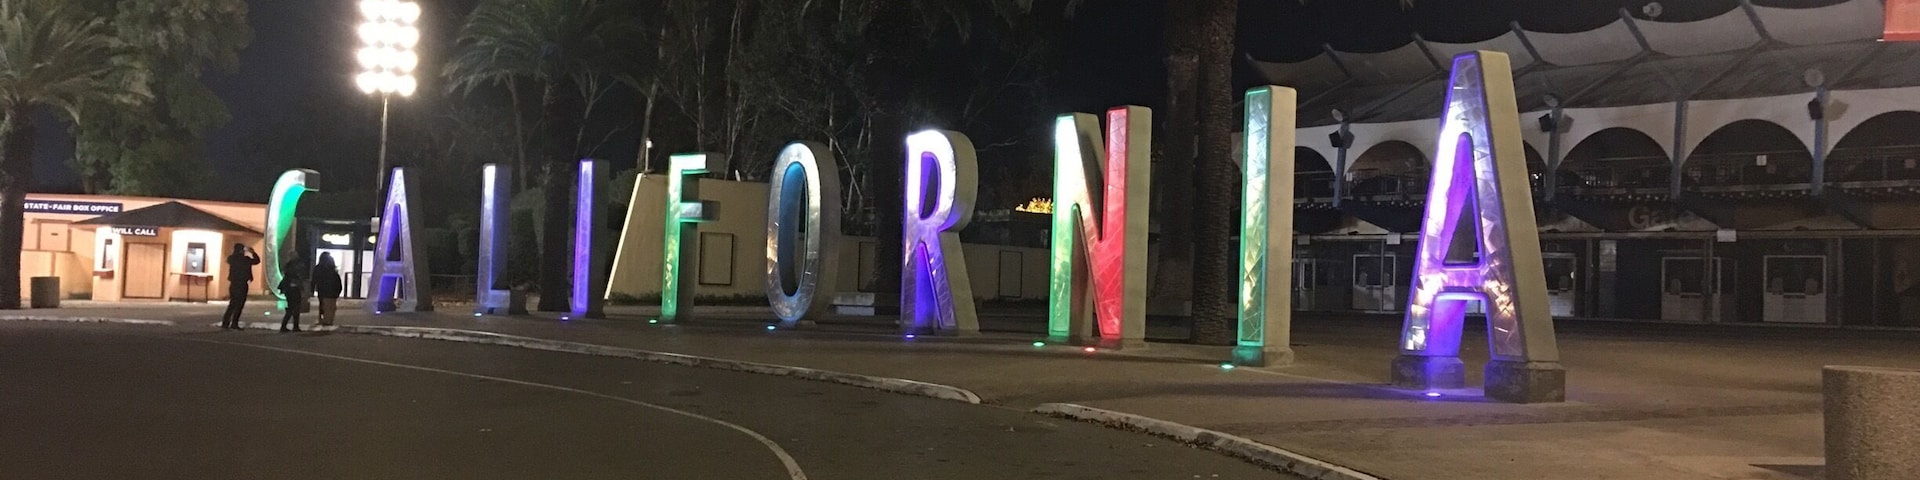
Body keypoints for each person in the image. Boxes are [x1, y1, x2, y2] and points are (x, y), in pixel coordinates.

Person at [220, 244, 260, 330]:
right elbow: (257, 261)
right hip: (242, 283)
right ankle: (234, 323)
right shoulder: (245, 259)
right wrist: (252, 252)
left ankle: (225, 322)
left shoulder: (232, 258)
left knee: (232, 303)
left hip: (234, 283)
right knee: (240, 304)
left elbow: (229, 260)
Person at [311, 253, 344, 327]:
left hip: (322, 289)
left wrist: (312, 289)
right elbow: (337, 282)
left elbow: (314, 279)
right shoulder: (332, 269)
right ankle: (329, 320)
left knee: (323, 305)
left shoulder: (318, 268)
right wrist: (338, 291)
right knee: (331, 306)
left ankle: (323, 319)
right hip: (332, 291)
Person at [277, 256, 306, 332]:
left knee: (292, 308)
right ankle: (292, 326)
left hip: (290, 290)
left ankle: (288, 326)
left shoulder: (288, 269)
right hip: (293, 290)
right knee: (294, 308)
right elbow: (296, 280)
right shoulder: (293, 273)